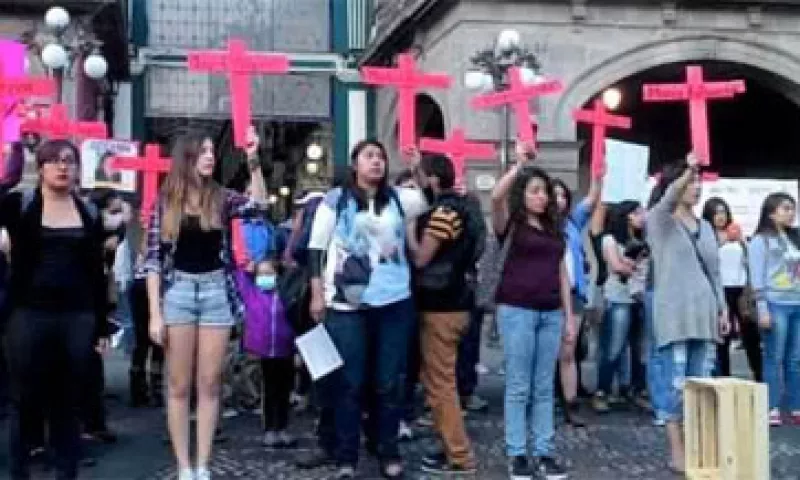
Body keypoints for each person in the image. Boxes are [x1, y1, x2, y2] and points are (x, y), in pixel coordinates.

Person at [143, 128, 266, 480]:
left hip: (216, 292)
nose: (211, 156)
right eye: (203, 151)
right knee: (179, 384)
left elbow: (259, 205)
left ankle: (203, 464)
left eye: (212, 151)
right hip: (178, 292)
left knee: (210, 382)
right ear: (187, 158)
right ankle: (184, 466)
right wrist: (154, 312)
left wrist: (253, 159)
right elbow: (152, 260)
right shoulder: (166, 203)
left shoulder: (222, 198)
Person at [305, 140, 427, 479]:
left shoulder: (398, 201)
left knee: (389, 381)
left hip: (393, 301)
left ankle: (387, 449)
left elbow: (427, 198)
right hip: (347, 304)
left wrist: (417, 166)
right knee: (350, 382)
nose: (376, 162)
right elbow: (315, 249)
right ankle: (347, 455)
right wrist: (317, 294)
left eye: (381, 157)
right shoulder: (336, 201)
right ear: (355, 164)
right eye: (369, 156)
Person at [2, 140, 113, 480]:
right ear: (42, 167)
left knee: (68, 402)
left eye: (69, 161)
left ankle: (66, 472)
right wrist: (11, 168)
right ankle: (18, 472)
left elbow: (96, 271)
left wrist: (102, 326)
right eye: (54, 161)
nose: (63, 167)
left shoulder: (88, 213)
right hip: (28, 314)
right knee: (23, 400)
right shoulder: (20, 204)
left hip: (76, 316)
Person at [491, 142, 575, 480]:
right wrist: (518, 166)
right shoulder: (510, 224)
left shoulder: (555, 230)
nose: (543, 197)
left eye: (546, 192)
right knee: (518, 385)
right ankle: (517, 453)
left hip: (550, 311)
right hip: (517, 309)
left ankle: (544, 450)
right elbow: (496, 197)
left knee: (543, 387)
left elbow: (561, 273)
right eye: (536, 191)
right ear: (523, 194)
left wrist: (569, 317)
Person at [646, 153, 729, 473]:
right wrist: (688, 166)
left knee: (702, 385)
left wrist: (723, 308)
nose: (696, 187)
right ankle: (676, 451)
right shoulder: (660, 220)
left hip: (704, 311)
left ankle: (700, 447)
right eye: (691, 181)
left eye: (698, 182)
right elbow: (666, 201)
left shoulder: (706, 227)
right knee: (676, 385)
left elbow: (715, 272)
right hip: (674, 314)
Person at [406, 154, 481, 475]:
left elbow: (422, 258)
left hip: (442, 306)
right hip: (456, 302)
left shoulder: (443, 213)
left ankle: (460, 455)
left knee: (440, 384)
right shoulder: (464, 208)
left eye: (421, 177)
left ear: (433, 179)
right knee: (439, 380)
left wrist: (410, 229)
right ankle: (445, 446)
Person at [552, 175, 601, 426]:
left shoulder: (572, 223)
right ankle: (544, 401)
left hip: (573, 293)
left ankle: (571, 404)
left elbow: (591, 201)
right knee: (546, 351)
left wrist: (597, 176)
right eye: (555, 194)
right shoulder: (539, 225)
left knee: (568, 350)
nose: (559, 200)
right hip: (547, 294)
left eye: (563, 195)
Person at [748, 192, 800, 426]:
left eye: (792, 208)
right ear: (771, 212)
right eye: (785, 208)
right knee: (774, 356)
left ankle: (795, 405)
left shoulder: (795, 238)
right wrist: (762, 308)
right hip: (774, 302)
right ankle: (772, 406)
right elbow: (756, 277)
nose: (790, 213)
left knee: (795, 358)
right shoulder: (760, 241)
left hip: (796, 301)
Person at [594, 201, 649, 411]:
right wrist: (633, 263)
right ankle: (602, 390)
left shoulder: (642, 240)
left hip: (639, 299)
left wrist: (631, 264)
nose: (642, 216)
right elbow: (617, 267)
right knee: (613, 347)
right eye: (638, 213)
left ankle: (636, 389)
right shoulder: (610, 239)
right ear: (627, 216)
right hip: (618, 298)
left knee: (639, 349)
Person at [235, 258, 296, 447]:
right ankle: (270, 429)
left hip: (285, 350)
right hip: (264, 353)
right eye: (261, 274)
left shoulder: (285, 296)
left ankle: (283, 428)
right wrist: (246, 269)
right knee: (269, 391)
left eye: (269, 274)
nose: (265, 278)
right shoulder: (252, 294)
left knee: (285, 391)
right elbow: (238, 278)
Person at [702, 197, 762, 381]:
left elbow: (750, 259)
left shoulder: (736, 232)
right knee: (723, 337)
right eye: (716, 212)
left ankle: (759, 374)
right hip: (721, 290)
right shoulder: (706, 234)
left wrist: (742, 242)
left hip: (741, 290)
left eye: (723, 212)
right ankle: (724, 377)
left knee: (750, 334)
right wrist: (723, 240)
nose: (720, 216)